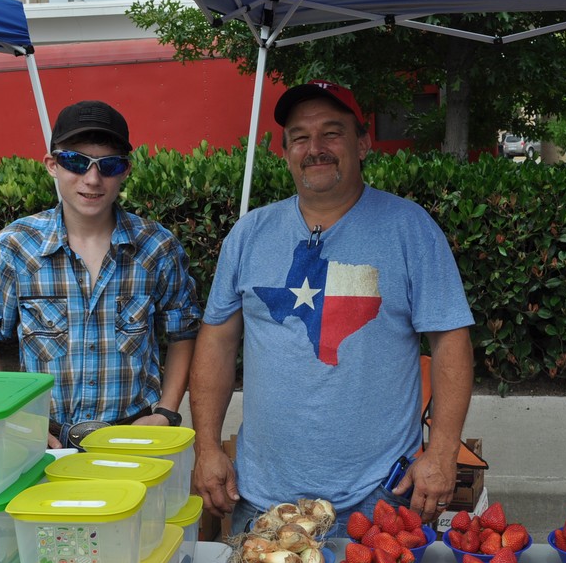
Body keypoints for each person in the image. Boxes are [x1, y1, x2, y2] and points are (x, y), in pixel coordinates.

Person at [189, 80, 475, 535]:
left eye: (332, 133)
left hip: (380, 498)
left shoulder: (410, 228)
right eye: (300, 137)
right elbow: (217, 343)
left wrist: (441, 451)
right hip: (261, 499)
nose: (314, 148)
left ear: (362, 144)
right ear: (285, 152)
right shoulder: (249, 235)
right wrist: (207, 447)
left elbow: (450, 341)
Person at [0, 100, 201, 449]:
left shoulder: (157, 247)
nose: (92, 179)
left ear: (125, 170)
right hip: (43, 439)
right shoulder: (16, 246)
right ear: (52, 165)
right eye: (76, 162)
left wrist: (167, 412)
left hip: (134, 435)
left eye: (108, 165)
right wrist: (14, 415)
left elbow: (184, 332)